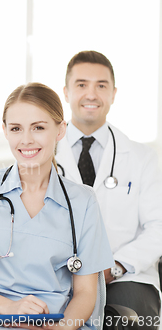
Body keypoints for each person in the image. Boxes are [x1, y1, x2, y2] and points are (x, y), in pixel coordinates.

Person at [0, 82, 114, 330]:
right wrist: (8, 308)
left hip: (55, 322)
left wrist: (61, 328)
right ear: (5, 131)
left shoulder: (82, 202)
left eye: (38, 127)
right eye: (16, 128)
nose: (26, 140)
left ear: (60, 130)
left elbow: (84, 292)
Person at [56, 50, 162, 329]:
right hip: (57, 275)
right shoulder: (44, 153)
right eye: (81, 85)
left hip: (126, 275)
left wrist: (115, 267)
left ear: (113, 94)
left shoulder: (143, 158)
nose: (91, 94)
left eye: (101, 86)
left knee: (128, 319)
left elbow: (158, 227)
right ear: (66, 92)